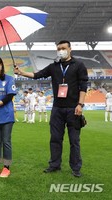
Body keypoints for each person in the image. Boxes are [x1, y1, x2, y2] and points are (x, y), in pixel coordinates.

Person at [14, 40, 88, 177]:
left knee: (74, 141)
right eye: (58, 49)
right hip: (57, 109)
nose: (61, 50)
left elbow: (83, 85)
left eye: (63, 48)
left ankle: (76, 168)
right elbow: (37, 75)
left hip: (73, 108)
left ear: (70, 49)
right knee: (55, 138)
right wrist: (21, 72)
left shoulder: (79, 65)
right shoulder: (54, 67)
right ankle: (54, 165)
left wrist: (80, 104)